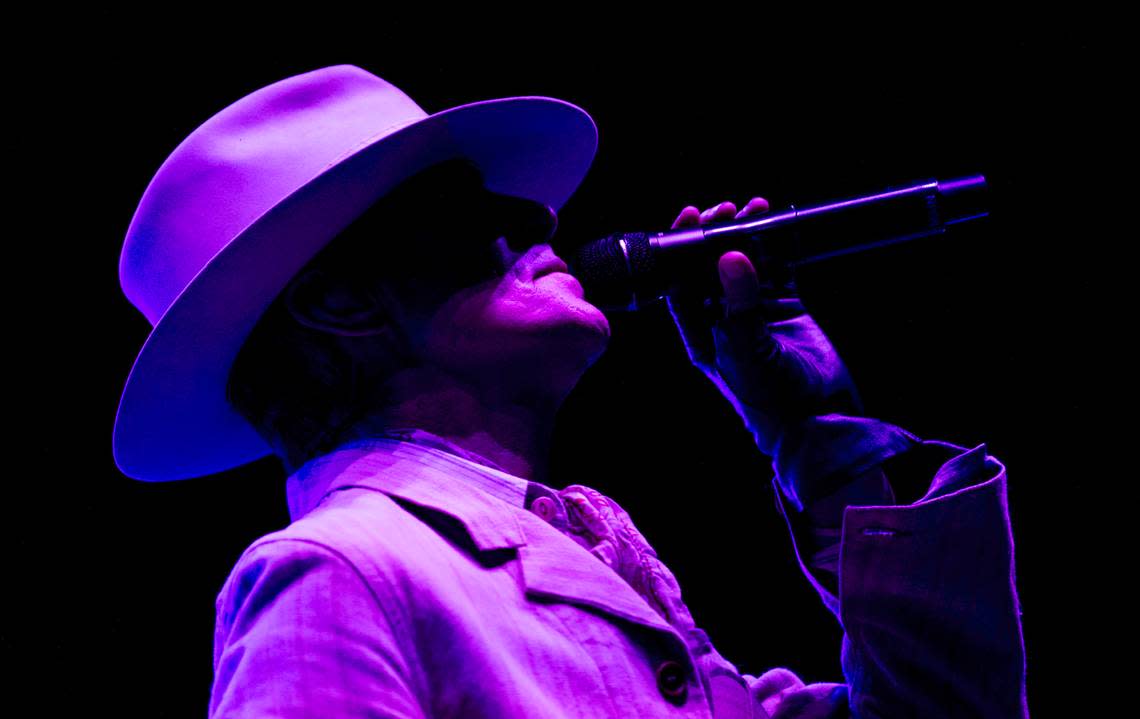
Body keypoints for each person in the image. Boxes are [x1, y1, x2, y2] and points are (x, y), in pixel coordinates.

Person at [113, 64, 1030, 718]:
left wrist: (822, 435)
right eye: (463, 213)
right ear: (340, 303)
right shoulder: (341, 574)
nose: (538, 218)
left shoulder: (590, 566)